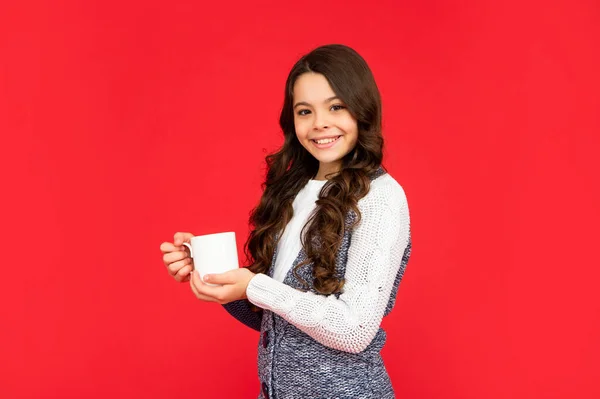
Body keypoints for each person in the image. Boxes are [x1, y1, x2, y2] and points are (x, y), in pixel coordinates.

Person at [160, 44, 412, 399]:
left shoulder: (381, 198)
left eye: (336, 106)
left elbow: (354, 330)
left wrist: (252, 285)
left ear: (362, 110)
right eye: (304, 111)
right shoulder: (295, 192)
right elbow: (278, 321)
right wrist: (216, 275)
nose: (320, 123)